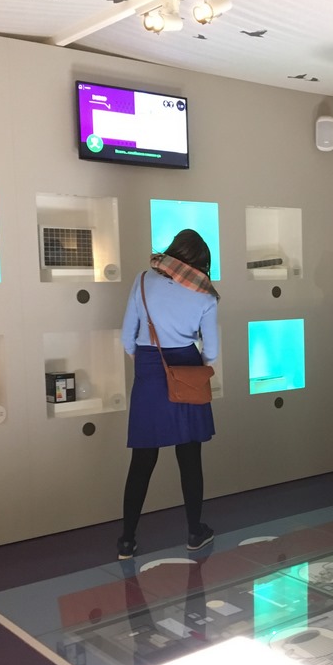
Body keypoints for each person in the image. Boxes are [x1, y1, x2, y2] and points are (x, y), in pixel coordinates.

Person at [117, 229, 219, 559]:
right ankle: (195, 532)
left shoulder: (143, 280)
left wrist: (145, 363)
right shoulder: (205, 294)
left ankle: (127, 541)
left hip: (149, 367)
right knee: (189, 456)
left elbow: (127, 336)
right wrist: (194, 369)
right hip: (186, 367)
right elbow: (212, 350)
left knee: (142, 459)